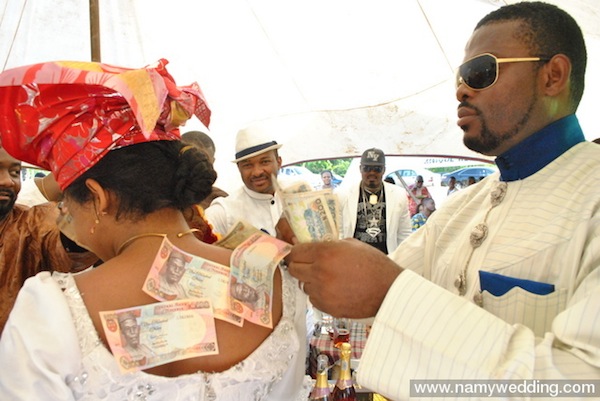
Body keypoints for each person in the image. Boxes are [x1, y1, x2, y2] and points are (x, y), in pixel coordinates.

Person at [284, 2, 600, 399]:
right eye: (460, 78)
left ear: (552, 76)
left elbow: (585, 381)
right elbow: (370, 284)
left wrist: (392, 296)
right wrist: (301, 255)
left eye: (480, 72)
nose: (461, 90)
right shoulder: (462, 208)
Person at [0, 59, 311, 400]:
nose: (67, 220)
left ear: (98, 198)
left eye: (68, 207)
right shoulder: (281, 285)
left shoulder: (49, 310)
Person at [0, 147, 97, 333]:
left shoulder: (30, 225)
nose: (7, 181)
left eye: (14, 172)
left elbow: (68, 252)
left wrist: (75, 221)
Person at [205, 128, 284, 236]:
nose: (257, 172)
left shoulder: (299, 195)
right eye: (248, 165)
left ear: (279, 162)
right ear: (239, 168)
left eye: (264, 162)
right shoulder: (223, 212)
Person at [338, 148, 411, 254]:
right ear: (360, 169)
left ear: (384, 170)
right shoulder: (343, 194)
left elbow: (404, 234)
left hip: (386, 258)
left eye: (377, 169)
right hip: (353, 259)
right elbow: (339, 233)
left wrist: (401, 259)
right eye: (367, 168)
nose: (372, 173)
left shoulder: (399, 195)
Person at [181, 130, 229, 209]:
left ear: (212, 162)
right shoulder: (162, 197)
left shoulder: (221, 202)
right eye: (188, 160)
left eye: (204, 161)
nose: (196, 167)